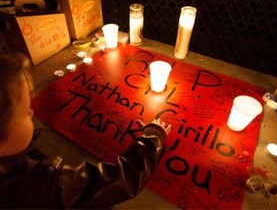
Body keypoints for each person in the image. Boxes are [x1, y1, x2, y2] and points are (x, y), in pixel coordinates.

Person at [0, 53, 172, 209]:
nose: (32, 113)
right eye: (24, 112)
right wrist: (152, 139)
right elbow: (120, 180)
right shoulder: (41, 188)